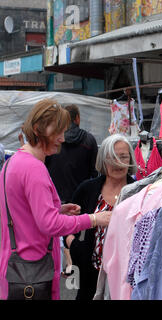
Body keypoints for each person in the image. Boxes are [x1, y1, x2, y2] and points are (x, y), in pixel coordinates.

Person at [0, 99, 111, 300]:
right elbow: (49, 224)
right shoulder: (34, 168)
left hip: (16, 268)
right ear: (37, 128)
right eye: (58, 131)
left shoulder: (14, 163)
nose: (62, 138)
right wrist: (95, 219)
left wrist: (57, 209)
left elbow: (21, 212)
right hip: (33, 272)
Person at [64, 134, 136, 300]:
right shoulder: (87, 189)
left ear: (130, 159)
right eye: (112, 157)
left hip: (125, 281)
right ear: (103, 160)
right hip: (89, 277)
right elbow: (68, 224)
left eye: (123, 156)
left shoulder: (138, 192)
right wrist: (74, 245)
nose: (118, 162)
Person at [44, 104, 98, 277]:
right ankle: (80, 263)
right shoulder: (89, 140)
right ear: (77, 118)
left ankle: (68, 264)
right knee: (82, 231)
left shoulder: (54, 142)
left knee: (61, 232)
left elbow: (45, 167)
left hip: (57, 196)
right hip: (82, 196)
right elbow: (94, 171)